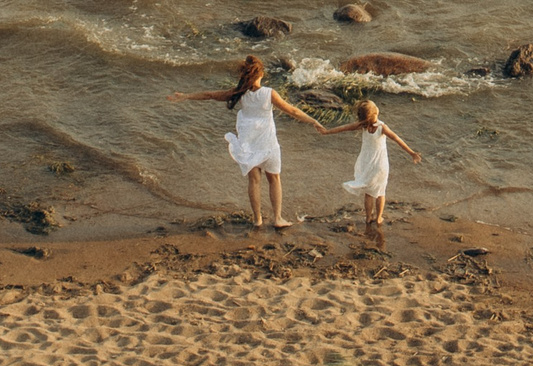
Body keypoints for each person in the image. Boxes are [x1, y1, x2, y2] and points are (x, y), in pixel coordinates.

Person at [167, 55, 325, 229]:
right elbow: (293, 111)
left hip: (248, 143)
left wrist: (185, 96)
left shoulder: (239, 93)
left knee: (254, 180)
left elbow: (210, 95)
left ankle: (257, 219)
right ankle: (277, 219)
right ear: (261, 74)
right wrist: (313, 121)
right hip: (267, 142)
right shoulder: (269, 93)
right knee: (274, 179)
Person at [322, 96, 420, 238]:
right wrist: (412, 153)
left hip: (367, 163)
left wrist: (326, 131)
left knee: (369, 193)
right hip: (380, 164)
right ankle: (378, 218)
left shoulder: (362, 126)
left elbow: (343, 128)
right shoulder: (381, 127)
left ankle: (368, 218)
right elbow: (397, 139)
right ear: (375, 112)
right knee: (380, 192)